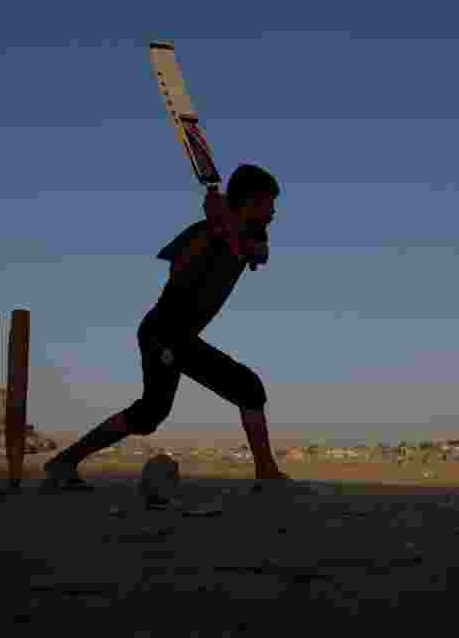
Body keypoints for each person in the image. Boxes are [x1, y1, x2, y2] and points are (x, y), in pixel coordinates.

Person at [42, 165, 289, 490]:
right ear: (247, 202)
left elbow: (260, 255)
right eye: (267, 204)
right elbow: (179, 274)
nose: (272, 212)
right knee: (235, 392)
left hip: (181, 336)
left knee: (159, 412)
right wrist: (215, 231)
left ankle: (63, 462)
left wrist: (226, 227)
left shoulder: (250, 234)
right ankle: (63, 463)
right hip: (163, 333)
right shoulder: (201, 234)